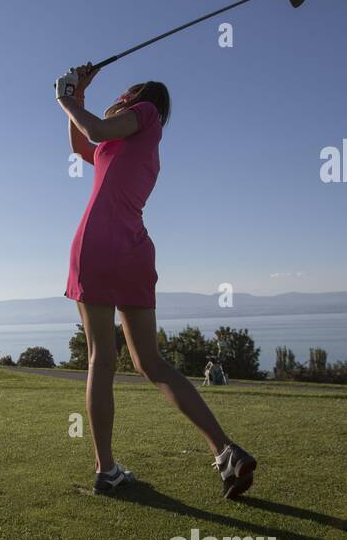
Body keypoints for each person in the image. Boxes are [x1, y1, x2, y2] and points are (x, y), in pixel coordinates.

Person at [56, 63, 256, 499]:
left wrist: (66, 97)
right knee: (152, 363)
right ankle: (225, 451)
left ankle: (106, 470)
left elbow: (90, 131)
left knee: (100, 360)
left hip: (97, 244)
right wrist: (79, 98)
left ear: (138, 98)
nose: (121, 96)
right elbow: (82, 144)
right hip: (133, 249)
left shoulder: (144, 113)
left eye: (124, 92)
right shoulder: (126, 145)